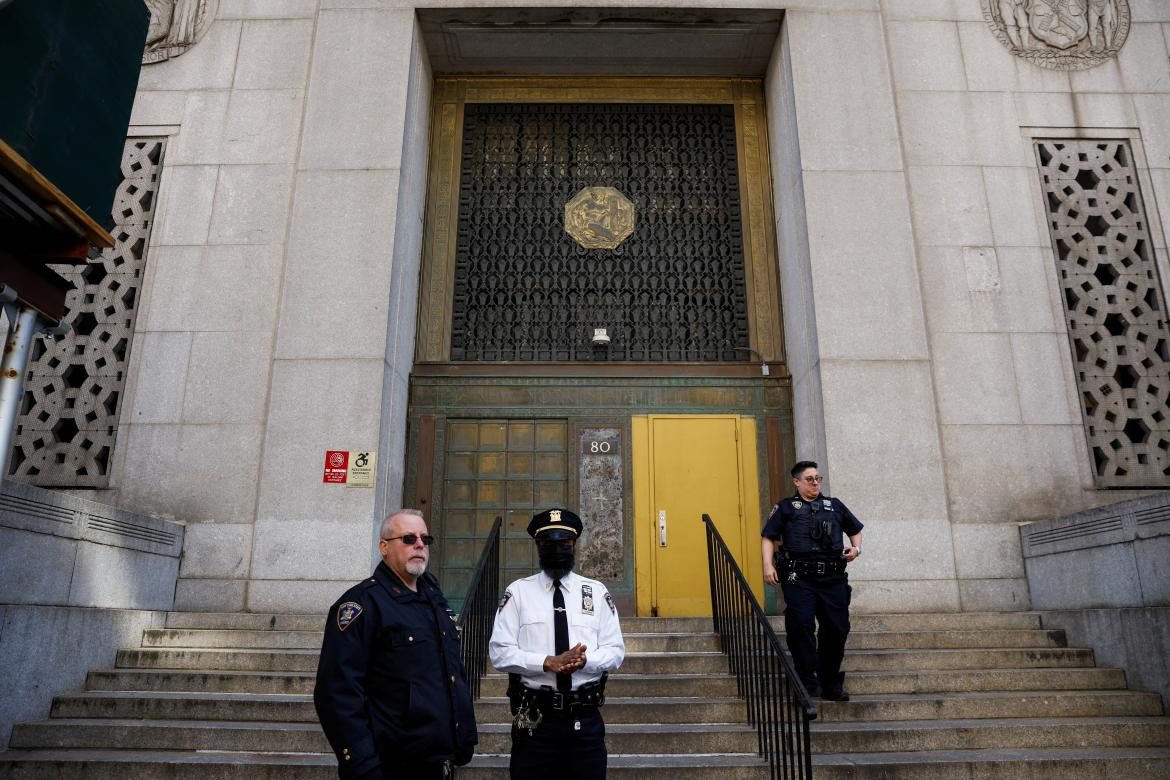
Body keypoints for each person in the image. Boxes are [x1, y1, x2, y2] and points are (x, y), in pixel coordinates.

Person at [314, 509, 477, 778]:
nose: (420, 545)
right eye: (409, 538)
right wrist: (362, 764)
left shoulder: (434, 601)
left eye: (425, 539)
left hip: (438, 763)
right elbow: (336, 693)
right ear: (384, 547)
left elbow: (451, 674)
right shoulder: (362, 604)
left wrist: (464, 737)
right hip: (390, 766)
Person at [488, 508, 625, 780]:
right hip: (536, 724)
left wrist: (587, 661)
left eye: (564, 543)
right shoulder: (518, 593)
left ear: (574, 545)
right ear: (538, 546)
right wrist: (547, 662)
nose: (557, 549)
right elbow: (499, 653)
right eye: (549, 544)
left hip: (584, 722)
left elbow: (615, 651)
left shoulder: (595, 593)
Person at [761, 461, 864, 702]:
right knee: (801, 626)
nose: (815, 482)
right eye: (809, 479)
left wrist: (856, 550)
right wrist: (767, 565)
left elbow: (855, 530)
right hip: (799, 577)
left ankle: (829, 683)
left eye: (818, 478)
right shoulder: (786, 507)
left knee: (837, 628)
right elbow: (768, 537)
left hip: (833, 577)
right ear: (797, 482)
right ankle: (806, 683)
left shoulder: (835, 506)